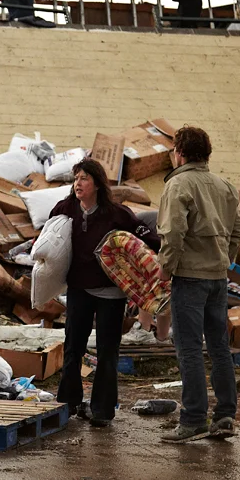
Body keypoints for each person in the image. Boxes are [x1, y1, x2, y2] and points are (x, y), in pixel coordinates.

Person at [51, 159, 160, 427]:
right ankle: (68, 403)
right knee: (73, 348)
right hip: (79, 289)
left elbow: (147, 239)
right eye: (76, 178)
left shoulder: (117, 214)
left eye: (84, 178)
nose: (78, 183)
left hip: (111, 294)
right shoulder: (65, 209)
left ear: (98, 184)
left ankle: (102, 411)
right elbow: (48, 238)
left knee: (107, 352)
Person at [156, 126, 240, 444]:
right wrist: (224, 257)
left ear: (180, 153)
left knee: (190, 349)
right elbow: (239, 228)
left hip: (190, 279)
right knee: (219, 348)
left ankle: (194, 419)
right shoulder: (225, 186)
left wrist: (165, 268)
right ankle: (225, 416)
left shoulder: (178, 184)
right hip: (217, 279)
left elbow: (173, 231)